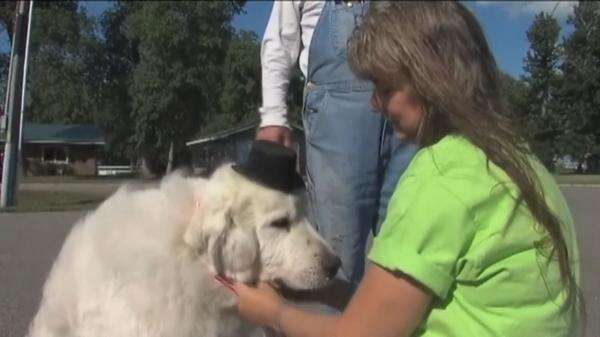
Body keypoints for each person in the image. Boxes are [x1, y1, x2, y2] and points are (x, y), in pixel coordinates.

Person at [217, 2, 584, 337]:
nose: (374, 104)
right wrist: (328, 288)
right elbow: (395, 308)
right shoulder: (518, 164)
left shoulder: (440, 177)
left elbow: (361, 334)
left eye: (386, 88)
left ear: (431, 78)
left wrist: (273, 312)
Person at [255, 0, 416, 290]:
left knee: (412, 245)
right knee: (338, 255)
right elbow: (280, 40)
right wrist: (274, 116)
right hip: (338, 115)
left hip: (414, 105)